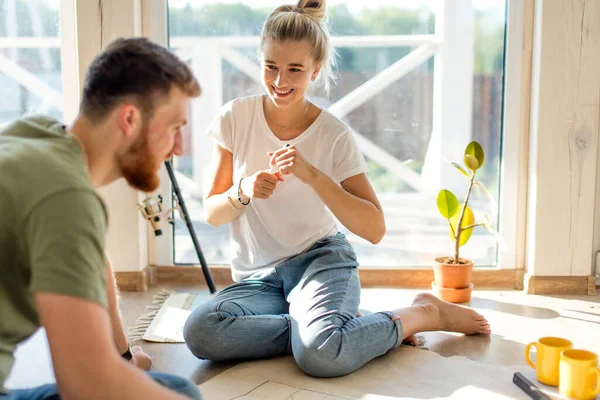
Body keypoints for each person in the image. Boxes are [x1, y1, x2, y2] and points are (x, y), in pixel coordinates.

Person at [183, 0, 491, 378]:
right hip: (259, 280)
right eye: (271, 67)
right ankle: (328, 326)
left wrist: (313, 176)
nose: (280, 81)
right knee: (201, 332)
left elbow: (374, 229)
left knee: (320, 357)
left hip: (320, 261)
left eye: (295, 69)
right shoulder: (236, 117)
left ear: (315, 71)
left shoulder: (332, 134)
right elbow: (213, 213)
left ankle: (423, 313)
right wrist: (243, 189)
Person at [0, 38, 202, 399]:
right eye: (174, 127)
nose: (179, 148)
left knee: (161, 386)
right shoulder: (66, 196)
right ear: (129, 118)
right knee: (182, 394)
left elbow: (91, 257)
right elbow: (87, 384)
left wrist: (122, 357)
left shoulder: (37, 135)